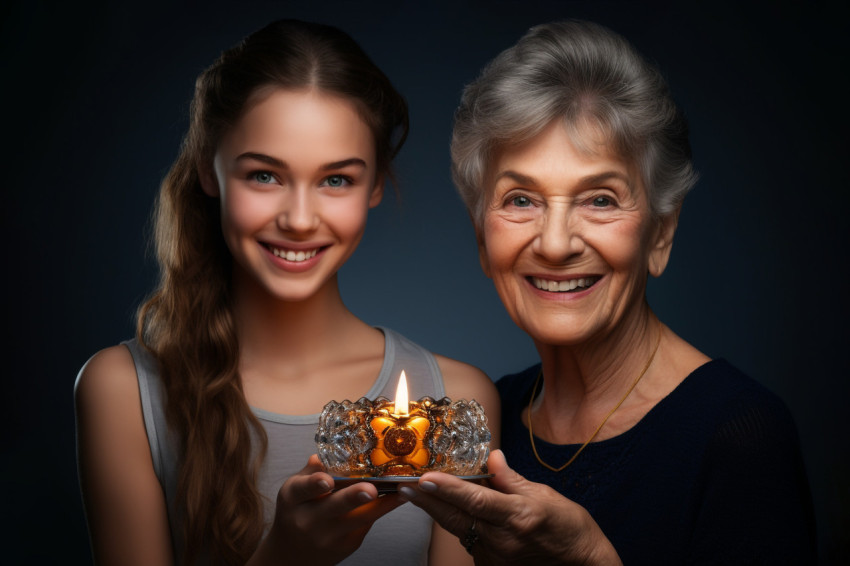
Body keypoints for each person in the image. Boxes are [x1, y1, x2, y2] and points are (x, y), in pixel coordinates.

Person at [74, 19, 499, 566]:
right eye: (265, 176)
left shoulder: (457, 398)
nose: (299, 219)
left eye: (336, 179)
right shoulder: (122, 391)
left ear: (374, 186)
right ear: (209, 169)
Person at [398, 20, 816, 564]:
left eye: (599, 199)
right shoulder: (485, 418)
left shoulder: (739, 436)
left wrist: (593, 558)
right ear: (482, 237)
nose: (553, 244)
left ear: (661, 232)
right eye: (520, 199)